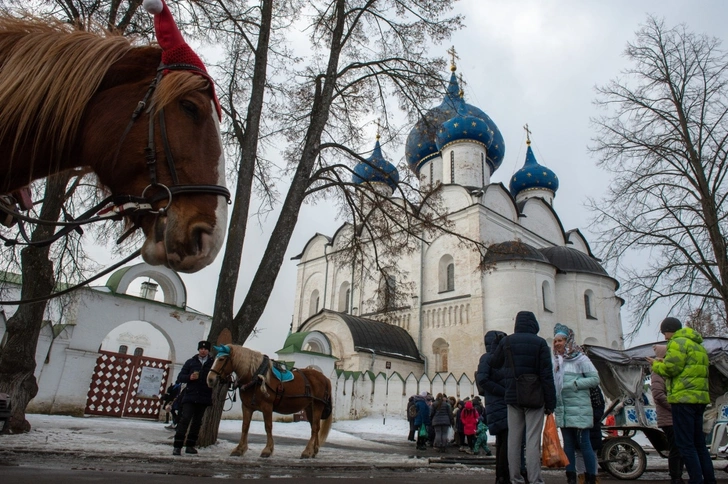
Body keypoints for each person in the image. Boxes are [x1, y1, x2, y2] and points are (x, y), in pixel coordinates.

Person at [490, 310, 557, 484]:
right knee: (532, 440)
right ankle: (535, 479)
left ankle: (515, 478)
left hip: (513, 397)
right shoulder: (540, 343)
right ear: (534, 324)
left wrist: (498, 345)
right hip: (535, 397)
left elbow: (495, 364)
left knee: (514, 439)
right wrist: (550, 402)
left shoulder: (507, 342)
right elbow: (546, 375)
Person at [648, 317, 716, 484]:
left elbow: (671, 369)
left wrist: (656, 365)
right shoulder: (697, 345)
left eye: (665, 333)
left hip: (683, 399)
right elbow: (688, 368)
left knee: (685, 444)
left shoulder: (678, 343)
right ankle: (709, 479)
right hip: (699, 399)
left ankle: (695, 480)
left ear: (671, 330)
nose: (665, 337)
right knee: (699, 443)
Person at [552, 323, 600, 484]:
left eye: (561, 340)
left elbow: (594, 379)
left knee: (584, 443)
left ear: (569, 340)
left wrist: (576, 384)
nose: (558, 343)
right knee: (568, 445)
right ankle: (571, 477)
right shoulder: (556, 361)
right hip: (564, 408)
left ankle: (591, 477)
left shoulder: (580, 358)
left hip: (579, 407)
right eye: (556, 341)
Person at [477, 330, 511, 484]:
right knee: (506, 441)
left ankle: (501, 476)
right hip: (500, 405)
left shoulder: (498, 359)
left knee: (503, 441)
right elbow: (482, 381)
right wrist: (505, 392)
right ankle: (504, 475)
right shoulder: (490, 359)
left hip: (497, 405)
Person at [652, 343, 686, 484]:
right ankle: (675, 477)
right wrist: (675, 407)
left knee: (681, 447)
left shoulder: (668, 371)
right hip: (669, 417)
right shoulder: (657, 372)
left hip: (675, 416)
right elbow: (659, 395)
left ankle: (678, 475)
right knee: (676, 448)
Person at [173, 340, 214, 455]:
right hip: (190, 395)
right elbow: (180, 377)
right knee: (185, 419)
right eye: (201, 348)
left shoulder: (212, 363)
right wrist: (189, 377)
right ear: (198, 350)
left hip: (204, 395)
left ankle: (190, 445)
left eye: (205, 349)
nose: (203, 350)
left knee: (197, 422)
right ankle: (177, 446)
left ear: (208, 351)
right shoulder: (191, 362)